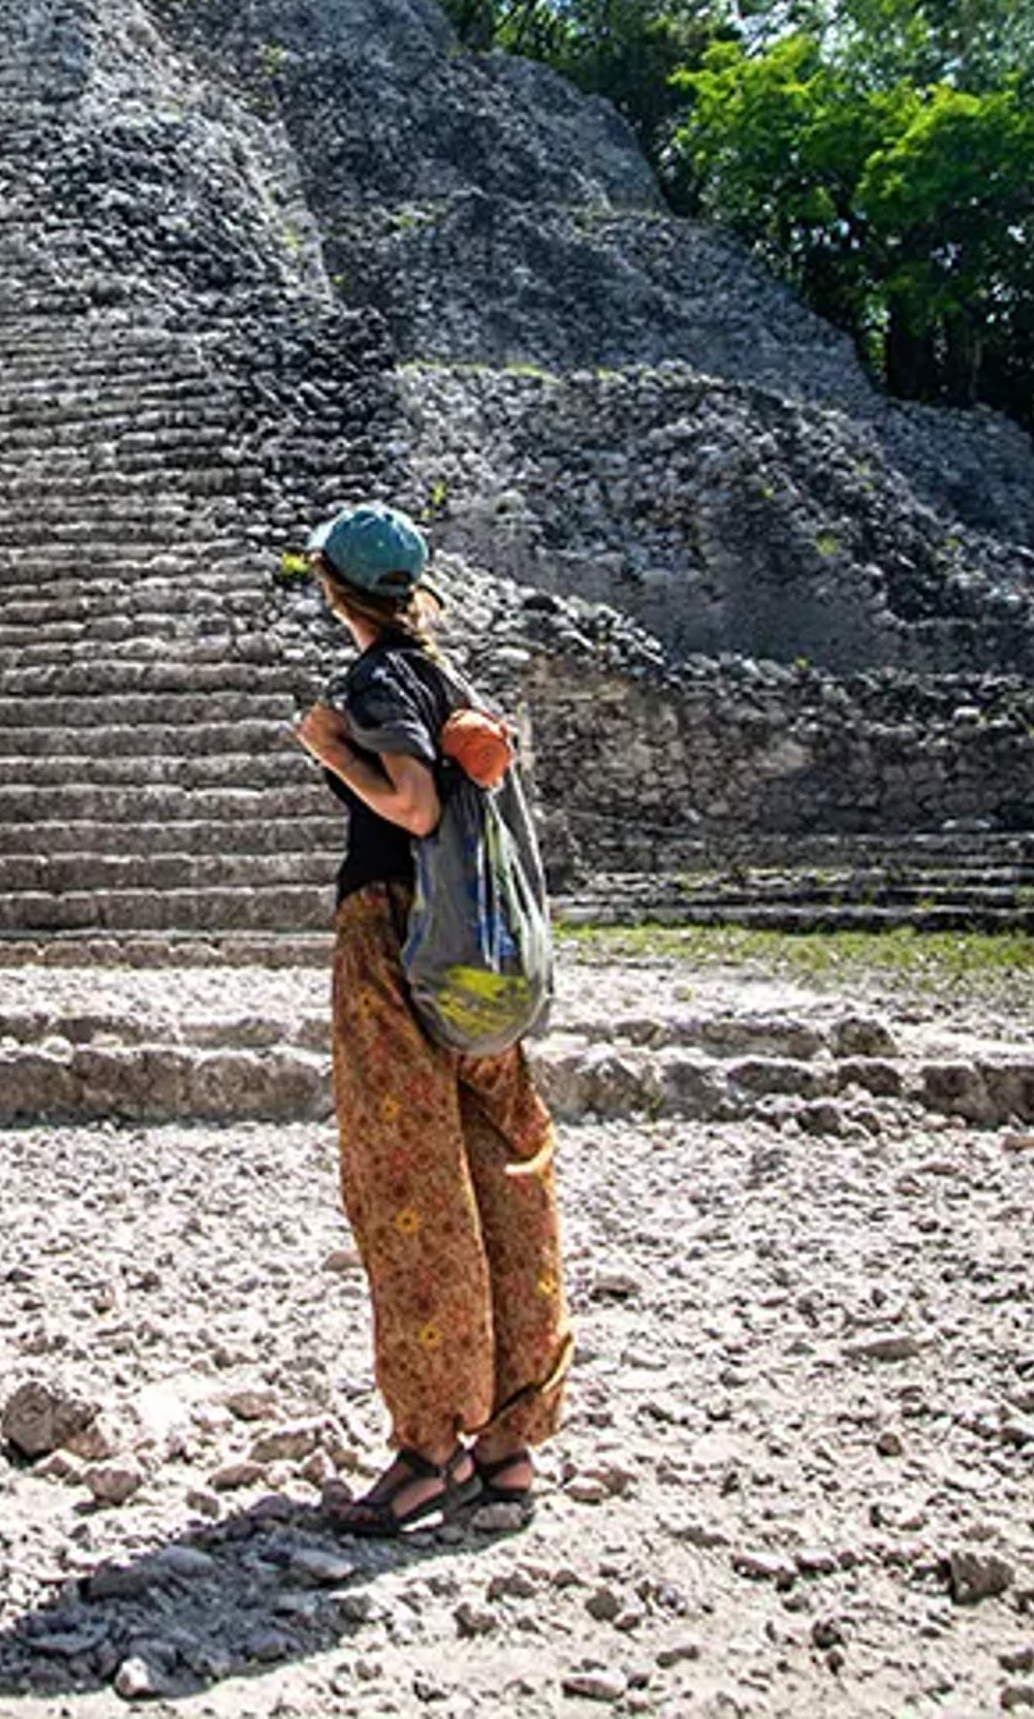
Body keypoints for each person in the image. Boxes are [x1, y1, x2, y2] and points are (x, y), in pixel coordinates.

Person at [291, 501, 571, 1536]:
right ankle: (508, 1441)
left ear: (335, 588)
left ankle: (427, 1446)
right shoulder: (454, 678)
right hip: (477, 957)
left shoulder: (374, 680)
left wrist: (328, 746)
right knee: (504, 1162)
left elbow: (408, 806)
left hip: (394, 938)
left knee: (407, 1177)